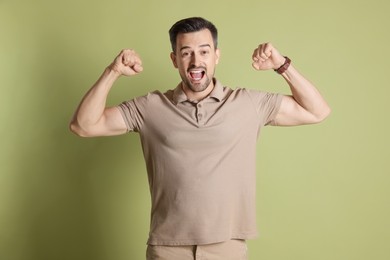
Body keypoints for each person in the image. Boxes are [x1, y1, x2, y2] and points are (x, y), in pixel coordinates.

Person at [70, 17, 330, 260]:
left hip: (227, 247)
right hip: (167, 248)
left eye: (204, 51)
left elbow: (317, 111)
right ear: (174, 59)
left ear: (216, 56)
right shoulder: (150, 107)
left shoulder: (248, 103)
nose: (196, 61)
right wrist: (112, 71)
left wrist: (282, 66)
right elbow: (83, 125)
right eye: (186, 53)